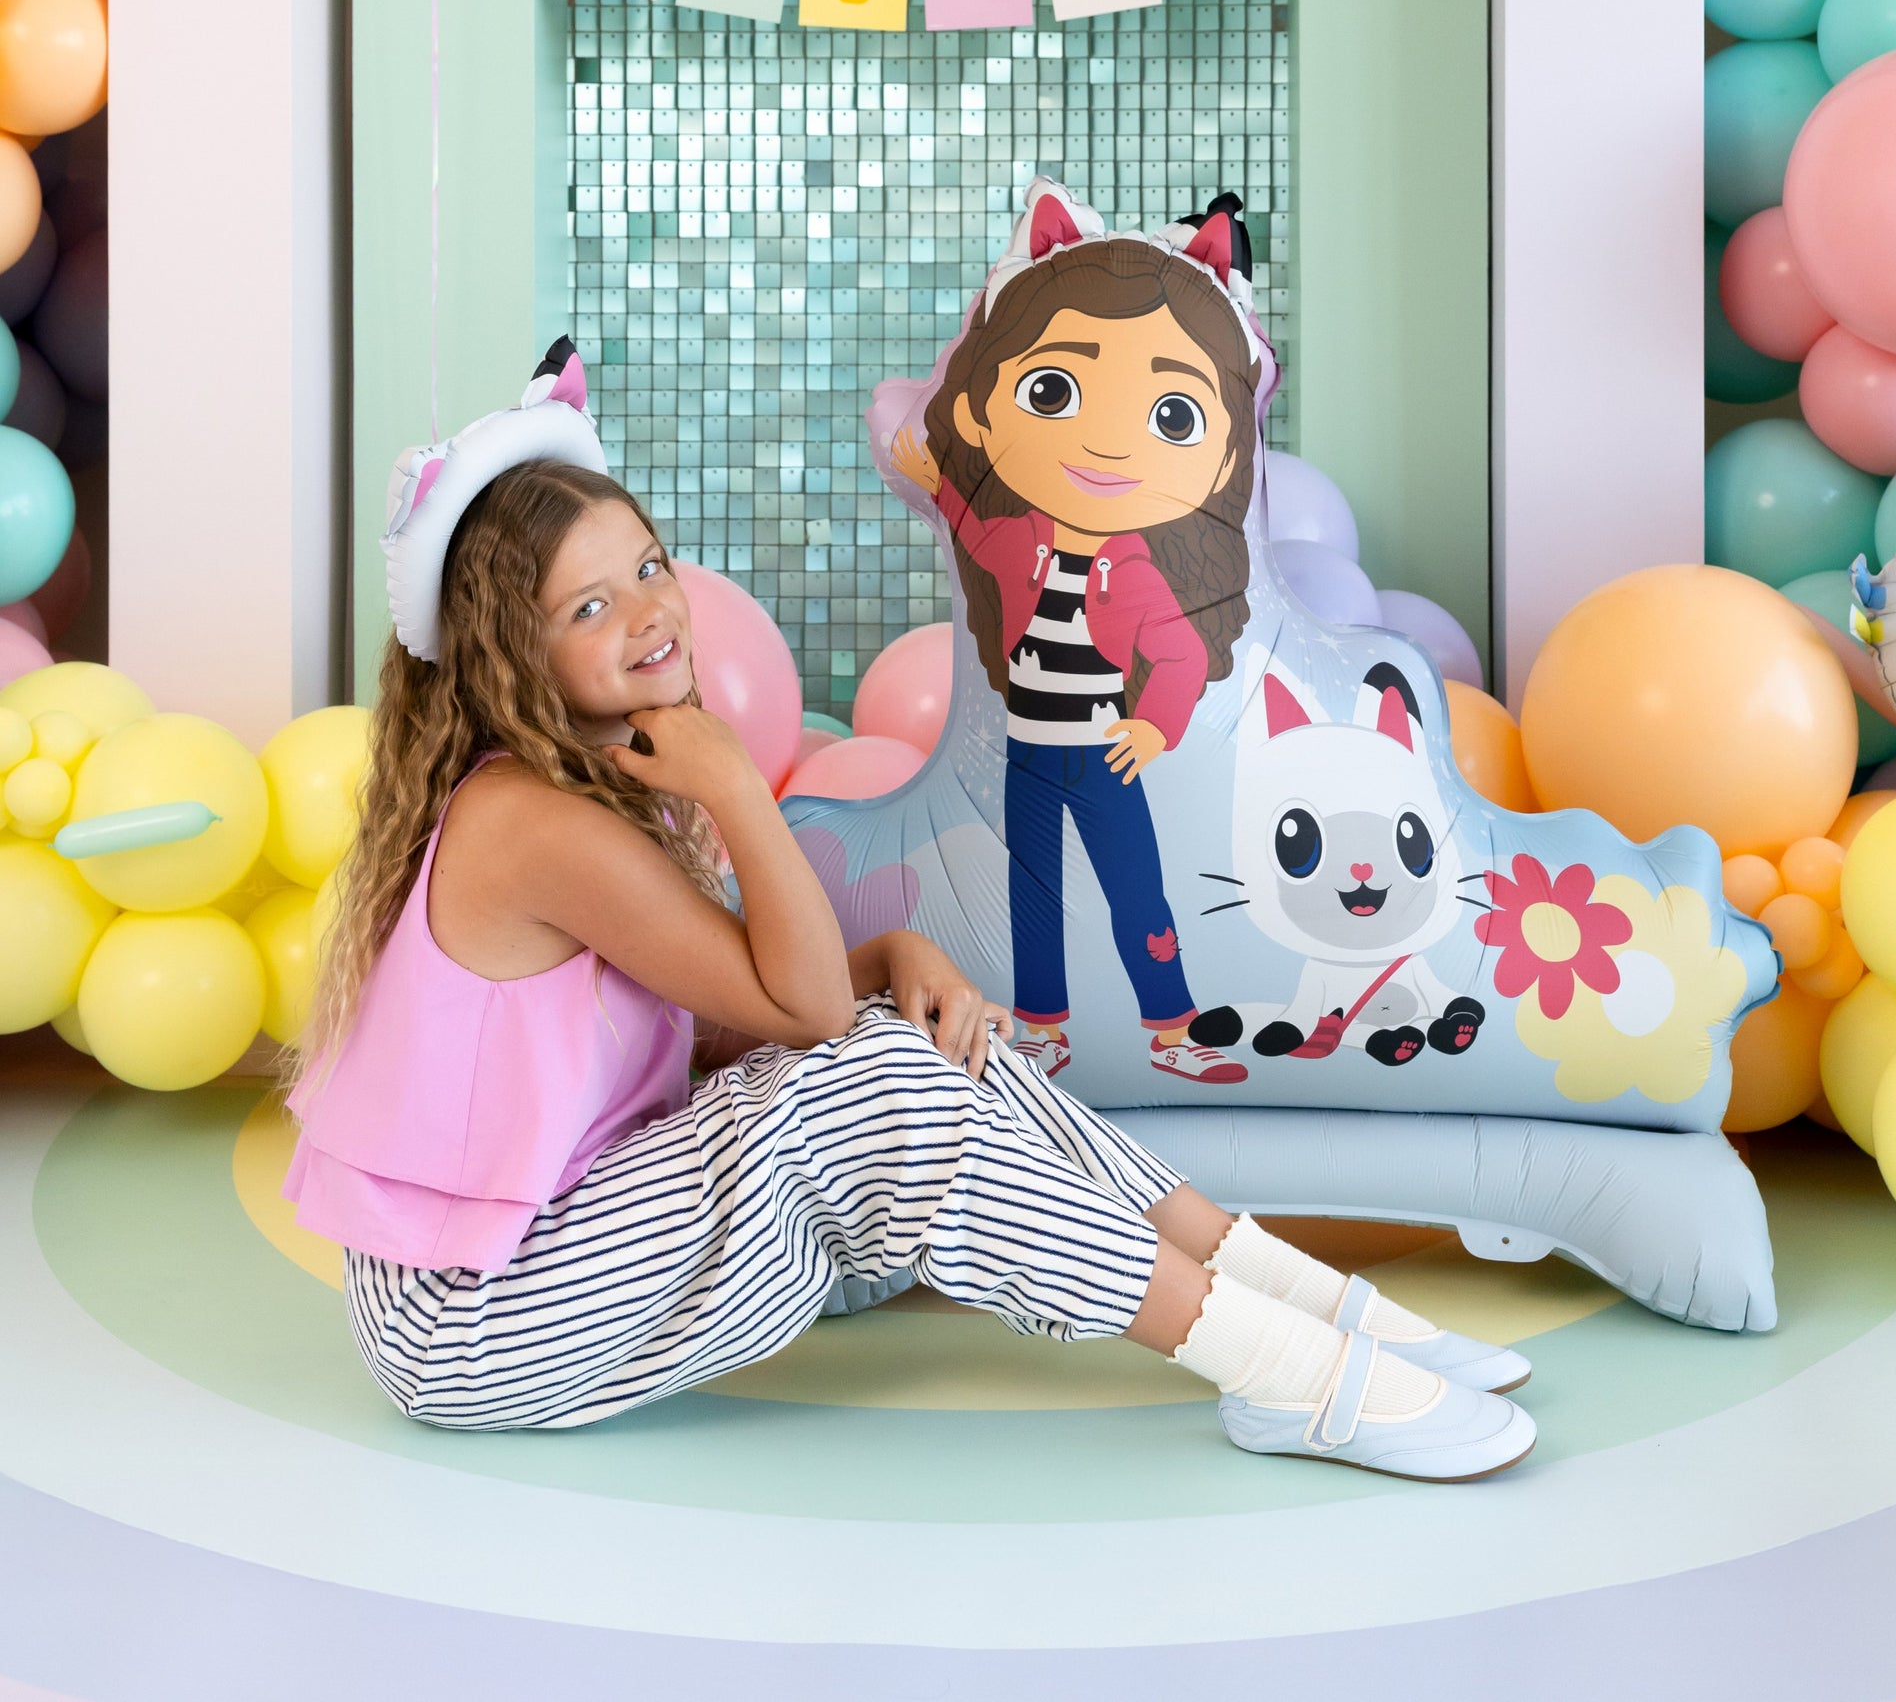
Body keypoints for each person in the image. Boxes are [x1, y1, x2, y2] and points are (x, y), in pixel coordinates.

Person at [285, 341, 1534, 1477]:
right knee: (873, 1073)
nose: (650, 613)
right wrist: (733, 786)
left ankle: (1290, 1298)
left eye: (647, 567)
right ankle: (1288, 1372)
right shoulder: (534, 820)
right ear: (511, 655)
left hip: (569, 1241)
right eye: (587, 607)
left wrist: (885, 951)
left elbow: (745, 1009)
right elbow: (803, 1013)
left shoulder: (602, 780)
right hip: (473, 1316)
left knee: (920, 1041)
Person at [890, 182, 1261, 1086]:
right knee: (1035, 893)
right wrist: (937, 478)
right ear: (988, 407)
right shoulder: (1022, 537)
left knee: (1136, 882)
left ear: (1217, 454)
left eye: (1169, 417)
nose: (1106, 445)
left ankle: (1172, 1023)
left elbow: (1175, 652)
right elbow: (976, 528)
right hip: (1028, 749)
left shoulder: (1135, 570)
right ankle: (1044, 1025)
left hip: (1100, 745)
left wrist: (1152, 725)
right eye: (1055, 391)